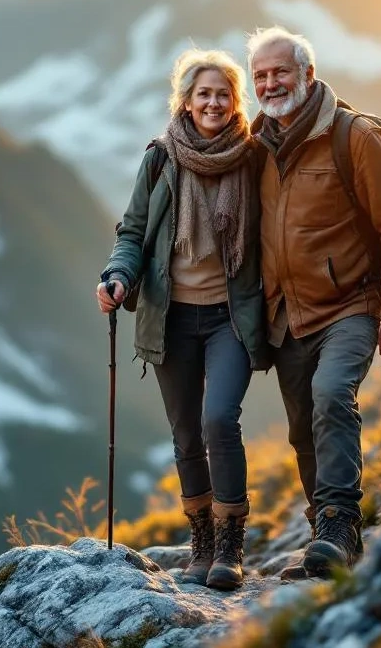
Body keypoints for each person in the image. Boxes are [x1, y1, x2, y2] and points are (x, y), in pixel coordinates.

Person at [246, 26, 381, 579]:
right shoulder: (256, 147)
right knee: (303, 429)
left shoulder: (356, 137)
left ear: (308, 74)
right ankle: (326, 537)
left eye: (280, 71)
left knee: (330, 395)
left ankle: (339, 527)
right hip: (286, 316)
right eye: (260, 76)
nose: (270, 84)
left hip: (352, 303)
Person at [96, 48, 270, 591]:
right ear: (187, 102)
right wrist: (117, 275)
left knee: (220, 419)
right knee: (186, 433)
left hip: (230, 318)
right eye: (204, 94)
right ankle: (202, 542)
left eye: (223, 94)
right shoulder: (160, 159)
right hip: (170, 317)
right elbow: (132, 232)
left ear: (235, 102)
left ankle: (230, 544)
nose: (214, 103)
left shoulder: (253, 157)